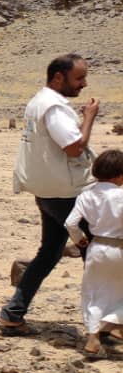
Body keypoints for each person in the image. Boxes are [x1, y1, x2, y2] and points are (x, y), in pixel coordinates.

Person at [1, 53, 99, 336]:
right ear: (59, 77)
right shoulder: (53, 107)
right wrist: (89, 117)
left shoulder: (38, 102)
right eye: (79, 78)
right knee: (95, 253)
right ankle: (102, 325)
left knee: (50, 253)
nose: (84, 84)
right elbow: (74, 148)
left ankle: (13, 313)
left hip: (48, 191)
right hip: (66, 194)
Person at [64, 149, 123, 356]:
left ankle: (93, 338)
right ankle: (114, 325)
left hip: (96, 248)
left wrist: (80, 239)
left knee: (93, 293)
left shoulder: (86, 195)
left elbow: (70, 223)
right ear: (119, 175)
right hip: (120, 248)